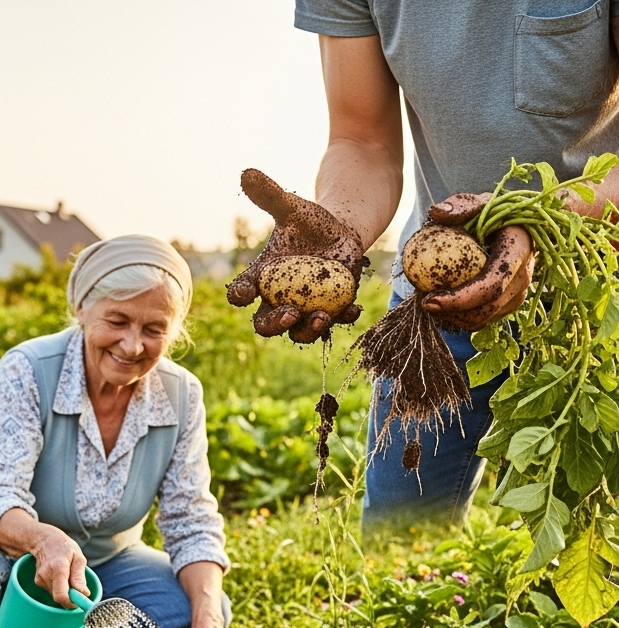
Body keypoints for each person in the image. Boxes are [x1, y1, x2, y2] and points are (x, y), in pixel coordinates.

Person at [258, 1, 619, 527]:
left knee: (594, 533)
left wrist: (538, 223)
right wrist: (339, 227)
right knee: (400, 535)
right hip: (436, 304)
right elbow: (362, 139)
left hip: (595, 292)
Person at [0, 235, 269, 628]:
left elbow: (191, 517)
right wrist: (43, 539)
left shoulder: (182, 393)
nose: (132, 344)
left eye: (154, 329)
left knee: (204, 610)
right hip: (5, 553)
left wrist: (207, 619)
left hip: (108, 563)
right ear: (82, 307)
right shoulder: (29, 368)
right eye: (117, 321)